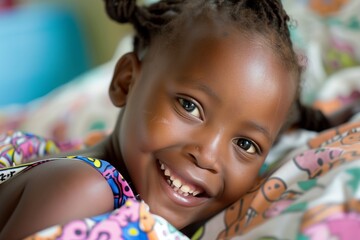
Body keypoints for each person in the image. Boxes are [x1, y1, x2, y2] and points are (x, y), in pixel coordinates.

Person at [0, 0, 353, 239]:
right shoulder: (83, 190)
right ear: (126, 82)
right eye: (190, 106)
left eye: (245, 144)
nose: (208, 155)